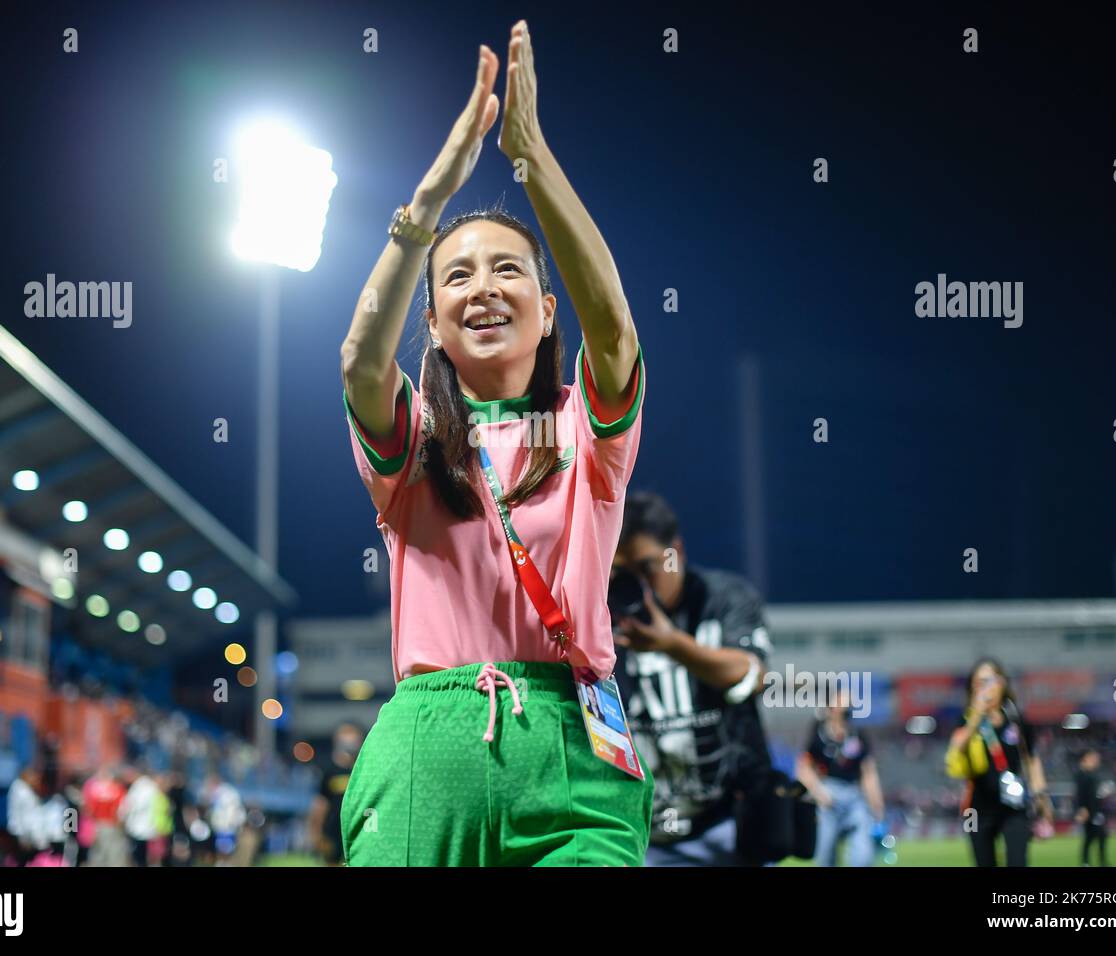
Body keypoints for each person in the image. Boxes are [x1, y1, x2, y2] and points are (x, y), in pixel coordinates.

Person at [338, 22, 652, 867]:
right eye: (459, 276)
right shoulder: (415, 447)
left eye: (510, 269)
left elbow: (616, 330)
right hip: (425, 748)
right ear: (433, 325)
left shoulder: (586, 437)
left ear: (549, 309)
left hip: (572, 742)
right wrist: (428, 205)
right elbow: (362, 362)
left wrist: (532, 157)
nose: (484, 287)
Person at [610, 492, 773, 866]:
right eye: (624, 574)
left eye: (647, 567)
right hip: (643, 833)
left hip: (730, 825)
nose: (639, 586)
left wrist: (672, 645)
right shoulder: (603, 611)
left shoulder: (724, 598)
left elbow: (750, 674)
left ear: (676, 551)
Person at [945, 658, 1052, 866]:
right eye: (979, 682)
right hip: (978, 808)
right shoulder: (966, 720)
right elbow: (957, 748)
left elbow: (1032, 758)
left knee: (1017, 861)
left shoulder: (1016, 719)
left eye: (989, 681)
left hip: (1014, 805)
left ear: (1001, 683)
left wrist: (1041, 796)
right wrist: (976, 715)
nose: (985, 687)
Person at [796, 691, 885, 867]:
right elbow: (803, 768)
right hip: (828, 797)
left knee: (862, 856)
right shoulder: (818, 735)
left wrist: (877, 804)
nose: (846, 708)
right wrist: (818, 792)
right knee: (825, 856)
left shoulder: (857, 735)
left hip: (854, 796)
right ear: (831, 708)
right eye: (841, 703)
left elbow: (868, 772)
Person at [307, 725, 363, 865]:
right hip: (332, 830)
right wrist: (316, 832)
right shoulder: (329, 770)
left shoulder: (362, 769)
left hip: (356, 828)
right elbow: (321, 803)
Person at [120, 766, 162, 867]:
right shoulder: (151, 787)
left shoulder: (141, 787)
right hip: (150, 827)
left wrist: (122, 815)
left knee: (140, 857)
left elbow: (131, 806)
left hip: (140, 828)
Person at [1074, 748, 1109, 867]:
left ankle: (1089, 862)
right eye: (1093, 757)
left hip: (1095, 811)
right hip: (1089, 811)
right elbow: (1081, 794)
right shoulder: (1082, 774)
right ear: (1086, 757)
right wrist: (1082, 809)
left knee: (1096, 837)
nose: (1096, 760)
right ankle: (1091, 862)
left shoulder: (1092, 774)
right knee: (1096, 836)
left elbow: (1093, 793)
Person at [5, 767, 45, 865]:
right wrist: (25, 838)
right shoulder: (22, 791)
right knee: (23, 860)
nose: (35, 778)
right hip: (24, 834)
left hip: (24, 833)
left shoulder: (22, 789)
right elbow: (25, 816)